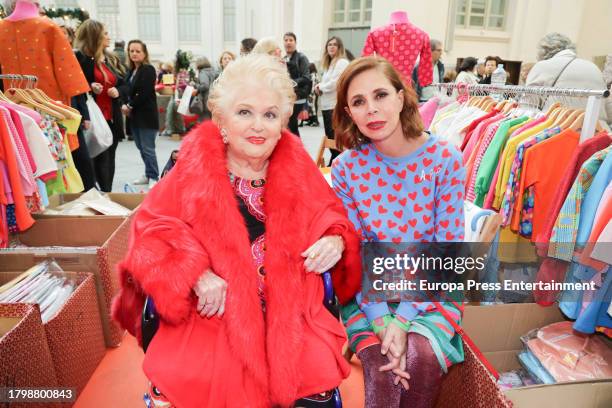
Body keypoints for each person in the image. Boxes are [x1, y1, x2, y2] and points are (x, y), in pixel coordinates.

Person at [112, 54, 362, 407]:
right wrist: (195, 272)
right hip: (211, 315)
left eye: (270, 115)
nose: (258, 126)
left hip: (291, 314)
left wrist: (335, 240)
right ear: (221, 120)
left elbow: (332, 215)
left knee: (314, 372)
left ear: (283, 124)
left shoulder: (297, 166)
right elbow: (149, 234)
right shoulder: (193, 168)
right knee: (196, 378)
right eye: (245, 112)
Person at [332, 56, 466, 408]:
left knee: (417, 360)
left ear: (402, 96)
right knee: (382, 366)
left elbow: (446, 250)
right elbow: (354, 251)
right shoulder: (346, 168)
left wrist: (404, 319)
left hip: (432, 290)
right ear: (348, 112)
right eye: (359, 102)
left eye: (380, 95)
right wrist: (381, 322)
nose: (372, 110)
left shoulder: (444, 159)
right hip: (367, 294)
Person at [74, 19, 126, 192]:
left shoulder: (110, 58)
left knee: (109, 160)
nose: (108, 37)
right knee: (96, 160)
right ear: (95, 36)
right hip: (92, 119)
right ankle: (99, 197)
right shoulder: (80, 58)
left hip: (111, 117)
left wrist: (118, 91)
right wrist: (89, 86)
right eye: (105, 33)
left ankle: (107, 194)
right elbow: (75, 86)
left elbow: (125, 83)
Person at [526, 32, 612, 126]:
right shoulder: (594, 68)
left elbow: (527, 107)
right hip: (598, 133)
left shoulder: (542, 66)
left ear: (543, 52)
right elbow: (609, 110)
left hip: (558, 129)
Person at [121, 40, 160, 185]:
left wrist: (130, 105)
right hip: (135, 117)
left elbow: (143, 92)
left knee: (148, 148)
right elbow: (126, 90)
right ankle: (148, 173)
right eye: (132, 51)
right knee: (140, 147)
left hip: (146, 116)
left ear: (144, 54)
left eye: (138, 51)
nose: (134, 54)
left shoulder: (148, 69)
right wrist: (125, 103)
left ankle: (154, 177)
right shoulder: (130, 71)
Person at [315, 36, 349, 164]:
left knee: (336, 139)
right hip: (326, 105)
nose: (332, 47)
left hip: (335, 106)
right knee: (330, 137)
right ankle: (334, 162)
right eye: (329, 44)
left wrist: (320, 87)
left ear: (339, 48)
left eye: (335, 44)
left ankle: (336, 164)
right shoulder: (330, 64)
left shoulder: (341, 62)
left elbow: (336, 82)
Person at [283, 32, 312, 137]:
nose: (288, 42)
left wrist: (291, 83)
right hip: (289, 97)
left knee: (291, 124)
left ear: (295, 43)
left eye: (291, 40)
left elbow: (306, 77)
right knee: (290, 125)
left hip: (299, 96)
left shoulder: (301, 57)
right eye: (286, 40)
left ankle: (298, 149)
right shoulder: (284, 59)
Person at [193, 56, 218, 121]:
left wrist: (196, 85)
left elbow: (205, 85)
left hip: (206, 100)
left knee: (204, 122)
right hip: (214, 99)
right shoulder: (213, 71)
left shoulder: (203, 72)